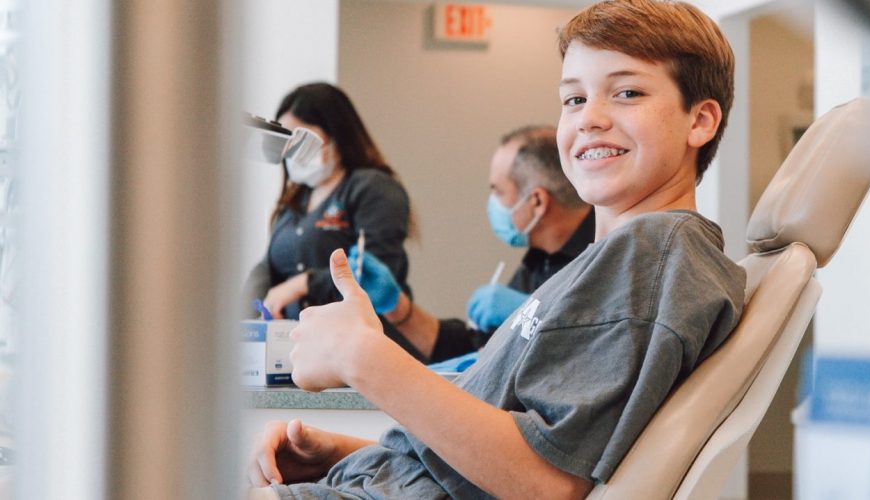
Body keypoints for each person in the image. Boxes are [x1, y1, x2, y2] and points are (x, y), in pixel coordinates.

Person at [247, 1, 744, 498]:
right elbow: (493, 459)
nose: (589, 117)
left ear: (699, 121)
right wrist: (343, 451)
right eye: (573, 99)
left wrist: (362, 357)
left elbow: (544, 482)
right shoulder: (610, 264)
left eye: (627, 92)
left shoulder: (652, 253)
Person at [348, 125, 595, 362]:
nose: (491, 203)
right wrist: (397, 306)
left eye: (498, 191)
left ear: (537, 201)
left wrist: (533, 314)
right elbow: (475, 350)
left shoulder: (602, 258)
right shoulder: (538, 262)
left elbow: (596, 353)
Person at [243, 82, 424, 357]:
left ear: (336, 134)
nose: (293, 151)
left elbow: (374, 270)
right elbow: (270, 267)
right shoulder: (295, 202)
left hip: (365, 351)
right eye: (287, 141)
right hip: (303, 352)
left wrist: (304, 283)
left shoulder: (372, 188)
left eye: (301, 137)